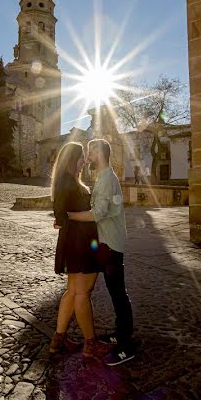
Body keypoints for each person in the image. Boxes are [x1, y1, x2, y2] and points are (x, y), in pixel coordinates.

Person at [68, 138, 135, 366]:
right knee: (115, 291)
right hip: (107, 243)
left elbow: (98, 213)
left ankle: (127, 345)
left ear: (100, 152)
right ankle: (120, 333)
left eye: (90, 151)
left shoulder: (106, 178)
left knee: (118, 294)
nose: (87, 155)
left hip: (111, 244)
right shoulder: (104, 177)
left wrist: (70, 216)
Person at [49, 142, 105, 359]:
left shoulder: (69, 181)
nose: (84, 160)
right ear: (72, 159)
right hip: (79, 243)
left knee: (73, 291)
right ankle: (91, 344)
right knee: (83, 292)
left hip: (77, 241)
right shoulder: (67, 182)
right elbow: (61, 215)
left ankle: (58, 339)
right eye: (81, 157)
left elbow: (62, 215)